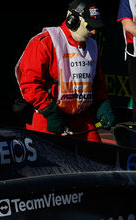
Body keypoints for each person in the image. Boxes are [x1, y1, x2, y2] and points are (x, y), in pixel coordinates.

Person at [15, 0, 115, 142]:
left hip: (81, 120)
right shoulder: (44, 42)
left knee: (98, 157)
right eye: (90, 26)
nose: (94, 31)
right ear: (72, 20)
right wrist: (49, 111)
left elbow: (97, 83)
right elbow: (29, 84)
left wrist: (103, 105)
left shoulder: (92, 46)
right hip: (48, 117)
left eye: (96, 27)